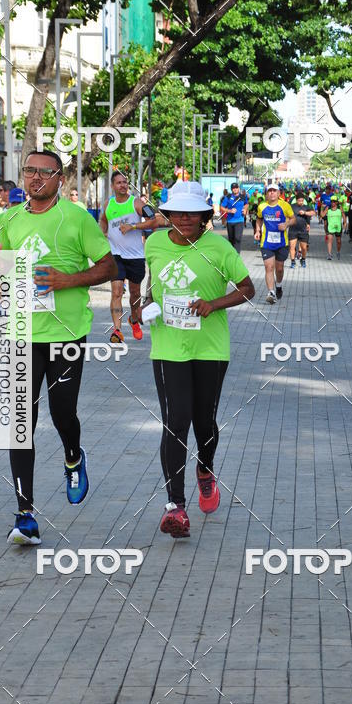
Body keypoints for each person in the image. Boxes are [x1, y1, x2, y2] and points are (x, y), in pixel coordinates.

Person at [0, 150, 116, 545]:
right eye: (29, 170)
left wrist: (66, 280)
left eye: (44, 172)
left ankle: (73, 456)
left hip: (66, 333)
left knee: (62, 413)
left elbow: (108, 267)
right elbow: (1, 264)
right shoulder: (10, 219)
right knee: (18, 423)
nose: (35, 177)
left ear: (60, 178)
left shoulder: (77, 218)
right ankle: (25, 514)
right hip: (19, 331)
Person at [141, 181, 254, 538]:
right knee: (176, 422)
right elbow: (149, 285)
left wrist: (213, 304)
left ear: (204, 216)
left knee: (204, 423)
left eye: (193, 213)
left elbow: (247, 288)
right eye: (178, 213)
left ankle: (205, 469)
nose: (185, 218)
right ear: (169, 214)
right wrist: (143, 305)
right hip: (168, 348)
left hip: (210, 349)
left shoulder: (219, 247)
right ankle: (175, 506)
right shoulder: (154, 243)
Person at [99, 171, 159, 343]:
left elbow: (153, 219)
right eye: (119, 183)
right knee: (117, 292)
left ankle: (133, 319)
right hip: (115, 255)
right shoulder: (108, 204)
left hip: (135, 256)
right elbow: (103, 220)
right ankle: (117, 330)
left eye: (125, 182)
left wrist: (133, 226)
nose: (123, 185)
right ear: (113, 186)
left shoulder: (136, 203)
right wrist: (103, 233)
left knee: (135, 293)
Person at [255, 185, 295, 303]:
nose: (272, 193)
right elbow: (259, 218)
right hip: (266, 243)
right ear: (266, 194)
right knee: (269, 267)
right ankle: (271, 292)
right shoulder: (262, 206)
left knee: (279, 269)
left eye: (274, 191)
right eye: (269, 191)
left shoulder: (285, 205)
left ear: (278, 193)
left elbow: (293, 219)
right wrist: (257, 230)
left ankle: (279, 285)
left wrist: (286, 224)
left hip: (282, 243)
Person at [220, 183, 248, 253]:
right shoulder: (228, 197)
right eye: (233, 188)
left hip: (240, 220)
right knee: (231, 240)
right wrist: (229, 211)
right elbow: (222, 207)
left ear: (238, 188)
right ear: (231, 189)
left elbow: (246, 204)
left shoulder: (243, 196)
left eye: (236, 188)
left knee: (237, 238)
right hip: (230, 221)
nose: (235, 189)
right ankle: (232, 253)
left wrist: (245, 209)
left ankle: (237, 254)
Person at [289, 193, 313, 269]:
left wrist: (305, 213)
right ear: (296, 200)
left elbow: (313, 213)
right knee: (292, 246)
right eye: (299, 200)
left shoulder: (306, 207)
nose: (301, 202)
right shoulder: (291, 206)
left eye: (302, 200)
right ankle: (293, 262)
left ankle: (303, 259)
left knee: (304, 248)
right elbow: (286, 214)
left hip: (303, 230)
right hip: (293, 229)